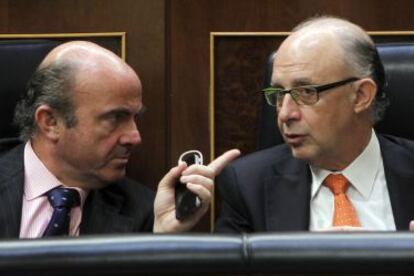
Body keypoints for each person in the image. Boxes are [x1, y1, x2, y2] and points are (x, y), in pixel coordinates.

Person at [0, 40, 240, 238]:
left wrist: (162, 240)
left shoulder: (143, 212)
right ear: (50, 122)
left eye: (135, 118)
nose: (135, 138)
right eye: (116, 118)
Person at [215, 16, 414, 233]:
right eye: (279, 94)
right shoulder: (247, 186)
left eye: (307, 92)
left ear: (360, 96)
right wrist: (171, 231)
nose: (285, 114)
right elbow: (223, 268)